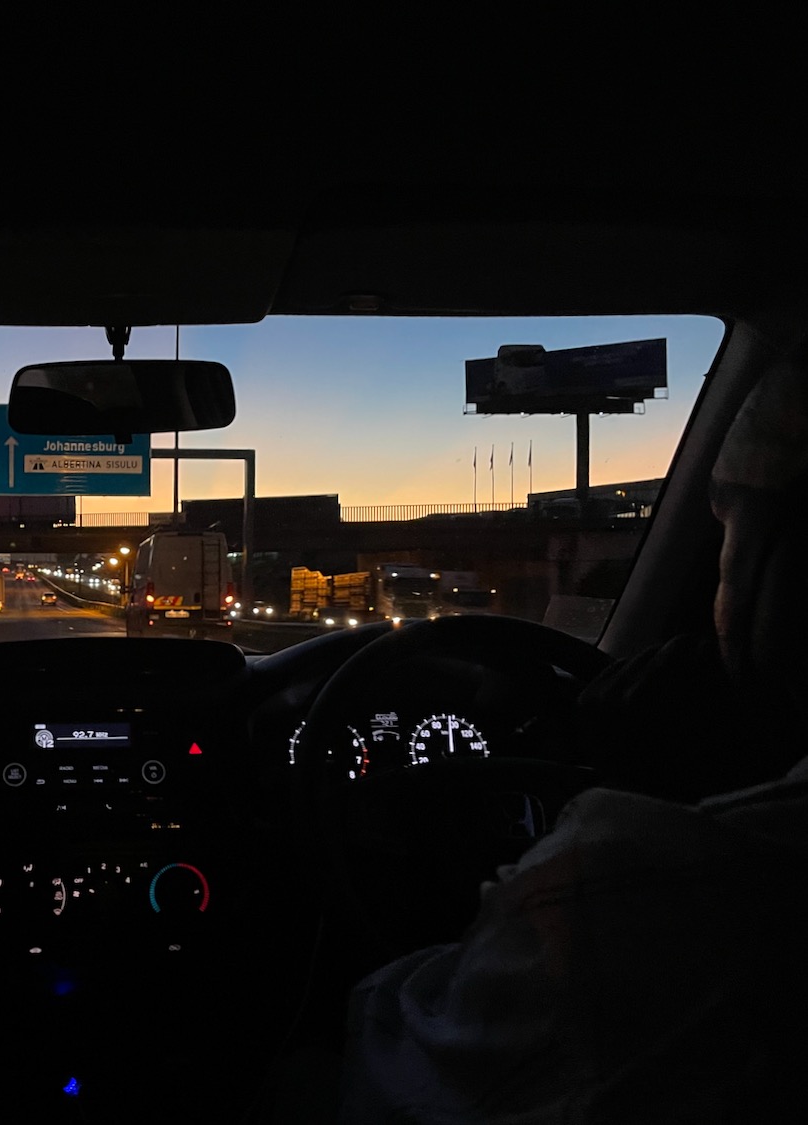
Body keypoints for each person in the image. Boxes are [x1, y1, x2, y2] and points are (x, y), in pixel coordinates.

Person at [337, 356, 808, 1123]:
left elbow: (386, 1050)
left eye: (725, 538)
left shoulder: (637, 887)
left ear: (778, 577)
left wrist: (614, 821)